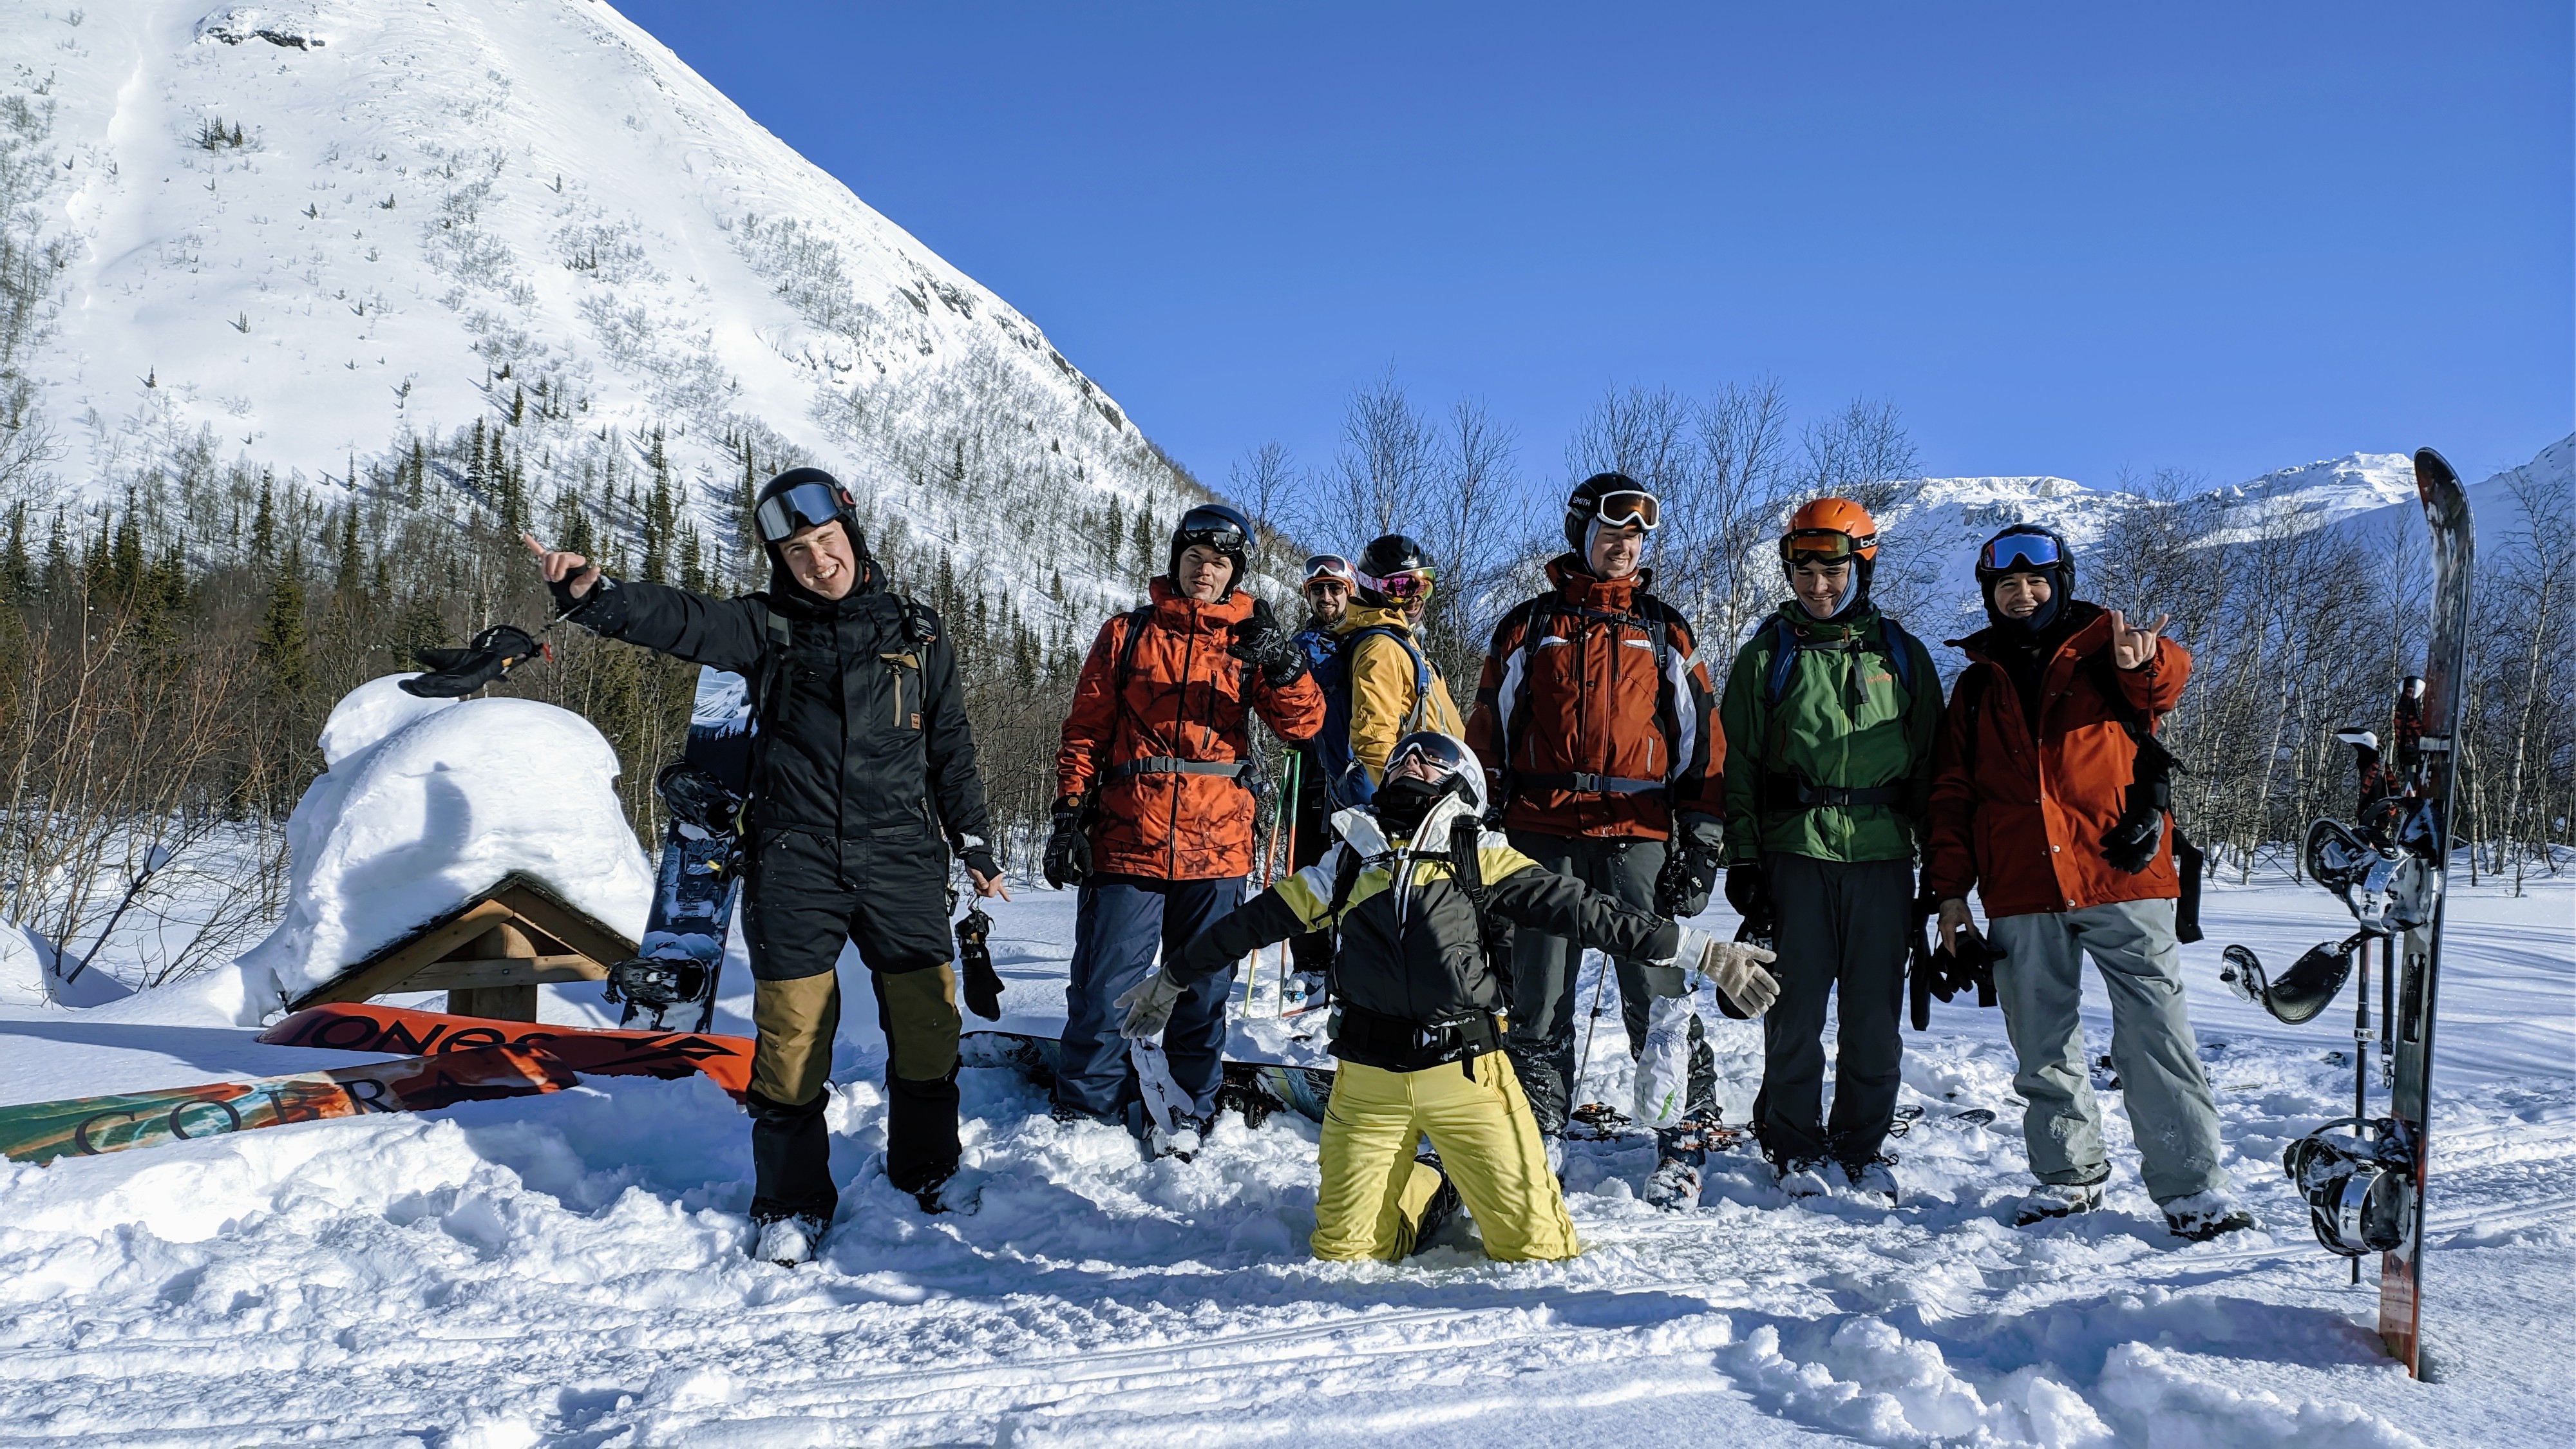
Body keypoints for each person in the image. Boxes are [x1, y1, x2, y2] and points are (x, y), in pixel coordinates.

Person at [523, 468, 1003, 1265]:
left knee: (926, 1028)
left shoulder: (920, 633)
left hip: (902, 860)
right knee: (790, 1042)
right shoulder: (765, 627)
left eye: (827, 542)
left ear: (852, 533)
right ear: (781, 562)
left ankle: (928, 1168)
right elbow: (680, 620)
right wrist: (598, 597)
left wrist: (975, 842)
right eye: (798, 552)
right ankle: (790, 1202)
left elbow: (949, 747)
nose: (819, 563)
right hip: (795, 861)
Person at [1123, 732, 1781, 1261]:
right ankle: (1436, 1186)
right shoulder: (1348, 862)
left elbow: (1595, 914)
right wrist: (1174, 975)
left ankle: (1452, 1177)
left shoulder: (1483, 857)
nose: (1412, 758)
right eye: (1404, 754)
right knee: (1347, 1253)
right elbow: (1251, 923)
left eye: (1431, 756)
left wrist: (1707, 953)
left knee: (1535, 1250)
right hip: (1366, 1083)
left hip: (1467, 1078)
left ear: (1463, 782)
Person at [1923, 524, 2251, 1240]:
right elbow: (1952, 795)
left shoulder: (2109, 655)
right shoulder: (1976, 686)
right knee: (2041, 1044)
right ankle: (2067, 1179)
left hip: (2121, 879)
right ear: (1989, 594)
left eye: (2035, 580)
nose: (2022, 593)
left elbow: (2162, 684)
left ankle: (2192, 1190)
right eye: (2006, 584)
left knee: (2156, 1037)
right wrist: (1949, 894)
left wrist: (2146, 660)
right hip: (2020, 889)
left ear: (2061, 581)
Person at [1466, 473, 1729, 1198]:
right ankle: (1537, 1129)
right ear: (1581, 533)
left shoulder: (1663, 629)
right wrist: (1474, 822)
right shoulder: (1528, 625)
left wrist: (1699, 844)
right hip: (1539, 834)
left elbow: (1703, 747)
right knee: (1538, 992)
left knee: (1656, 985)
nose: (1625, 546)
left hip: (1635, 831)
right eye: (1612, 533)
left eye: (1637, 535)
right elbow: (1488, 731)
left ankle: (1682, 1129)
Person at [1043, 504, 1325, 1151]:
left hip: (1218, 844)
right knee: (1108, 986)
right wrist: (1067, 815)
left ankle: (1189, 1109)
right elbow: (1084, 731)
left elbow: (1304, 726)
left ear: (1236, 573)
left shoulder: (1249, 641)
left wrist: (1283, 666)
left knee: (1200, 991)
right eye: (1194, 559)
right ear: (1175, 562)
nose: (1204, 572)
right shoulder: (1126, 634)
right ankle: (1088, 1114)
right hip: (1126, 839)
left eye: (1219, 563)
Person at [1716, 498, 1942, 1204]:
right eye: (1803, 570)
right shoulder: (1767, 655)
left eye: (1832, 568)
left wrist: (1938, 872)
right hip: (1795, 856)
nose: (1817, 584)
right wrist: (1745, 862)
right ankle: (1792, 1143)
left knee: (1874, 1019)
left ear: (1860, 567)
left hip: (1880, 860)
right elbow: (1739, 765)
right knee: (1794, 1014)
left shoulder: (1901, 654)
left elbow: (1934, 770)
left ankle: (1861, 1146)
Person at [1323, 534, 1465, 806]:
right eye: (1401, 587)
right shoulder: (1380, 648)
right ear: (1372, 588)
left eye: (1423, 585)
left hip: (1442, 785)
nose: (1415, 598)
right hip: (1421, 796)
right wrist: (1405, 797)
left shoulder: (1403, 641)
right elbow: (1373, 737)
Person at [1283, 554, 1359, 989]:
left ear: (1349, 592)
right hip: (1310, 767)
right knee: (1307, 863)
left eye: (1335, 589)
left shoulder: (1366, 639)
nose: (1326, 598)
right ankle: (1311, 962)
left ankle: (1357, 956)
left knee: (1360, 865)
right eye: (1318, 590)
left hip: (1357, 769)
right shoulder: (1297, 645)